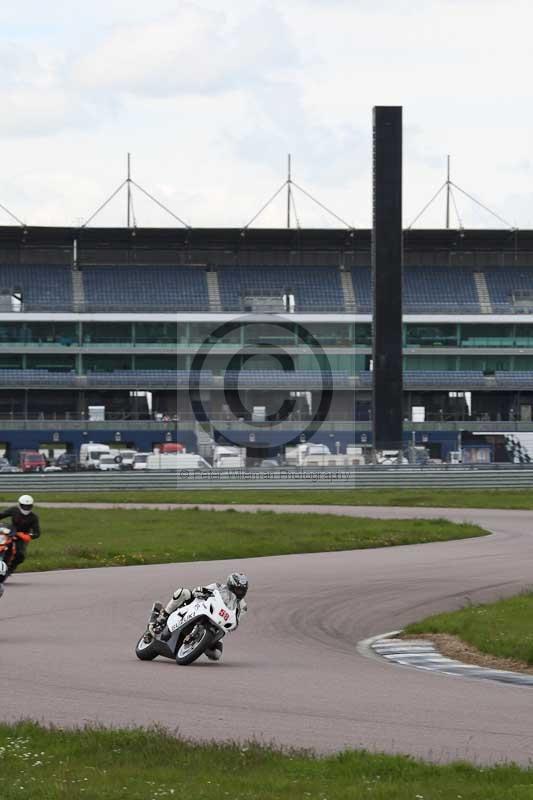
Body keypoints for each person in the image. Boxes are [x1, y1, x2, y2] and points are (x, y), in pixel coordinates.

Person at [149, 572, 249, 661]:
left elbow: (235, 622)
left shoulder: (242, 606)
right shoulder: (218, 586)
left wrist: (232, 626)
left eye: (242, 590)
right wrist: (201, 591)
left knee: (216, 654)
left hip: (218, 625)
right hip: (201, 608)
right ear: (230, 585)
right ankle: (163, 617)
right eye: (238, 589)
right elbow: (198, 591)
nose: (240, 592)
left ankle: (199, 644)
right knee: (183, 592)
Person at [0, 495, 40, 576]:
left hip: (21, 537)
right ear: (20, 504)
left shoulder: (33, 517)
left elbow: (37, 533)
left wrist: (28, 536)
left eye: (28, 506)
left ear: (32, 506)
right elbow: (1, 515)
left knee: (20, 555)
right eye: (24, 506)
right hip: (9, 532)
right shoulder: (14, 510)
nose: (26, 508)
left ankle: (9, 569)